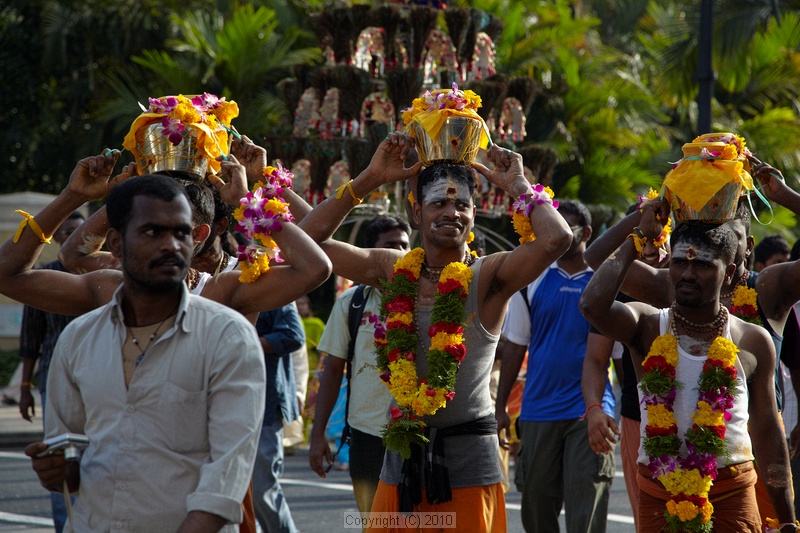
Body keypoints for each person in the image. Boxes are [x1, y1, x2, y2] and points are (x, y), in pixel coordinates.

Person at [295, 133, 572, 532]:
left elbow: (557, 239)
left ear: (474, 215)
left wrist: (518, 186)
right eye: (438, 203)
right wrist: (371, 178)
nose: (451, 213)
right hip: (401, 461)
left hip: (470, 464)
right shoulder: (392, 268)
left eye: (462, 205)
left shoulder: (489, 276)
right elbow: (306, 241)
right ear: (417, 212)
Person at [23, 175, 267, 532]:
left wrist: (249, 197)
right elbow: (72, 459)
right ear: (116, 244)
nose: (171, 245)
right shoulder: (79, 339)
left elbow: (226, 480)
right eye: (152, 232)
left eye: (181, 233)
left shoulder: (228, 336)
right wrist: (55, 471)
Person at [580, 210, 795, 531]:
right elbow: (591, 305)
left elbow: (767, 432)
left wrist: (788, 520)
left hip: (731, 493)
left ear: (729, 272)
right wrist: (638, 234)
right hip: (659, 492)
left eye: (703, 265)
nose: (688, 274)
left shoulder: (752, 339)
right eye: (680, 262)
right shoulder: (647, 325)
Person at [495, 199, 615, 533]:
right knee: (536, 508)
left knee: (586, 513)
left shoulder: (607, 281)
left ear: (587, 233)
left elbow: (621, 355)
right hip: (538, 411)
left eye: (567, 227)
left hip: (590, 412)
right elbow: (515, 346)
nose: (557, 233)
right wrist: (501, 407)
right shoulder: (530, 280)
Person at [309, 214, 412, 518]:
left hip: (418, 433)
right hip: (367, 433)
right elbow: (332, 370)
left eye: (404, 246)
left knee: (419, 521)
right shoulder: (352, 302)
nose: (399, 254)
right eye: (390, 246)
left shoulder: (428, 298)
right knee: (373, 520)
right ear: (370, 255)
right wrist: (317, 434)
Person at [16, 211, 84, 533]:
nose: (74, 237)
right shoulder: (45, 276)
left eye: (80, 231)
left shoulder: (105, 273)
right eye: (67, 232)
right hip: (53, 377)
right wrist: (24, 387)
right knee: (58, 456)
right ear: (57, 238)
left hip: (95, 375)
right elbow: (31, 337)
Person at [254, 304, 306, 533]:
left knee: (261, 489)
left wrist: (243, 341)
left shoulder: (271, 290)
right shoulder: (202, 287)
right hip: (220, 404)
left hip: (263, 405)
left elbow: (293, 335)